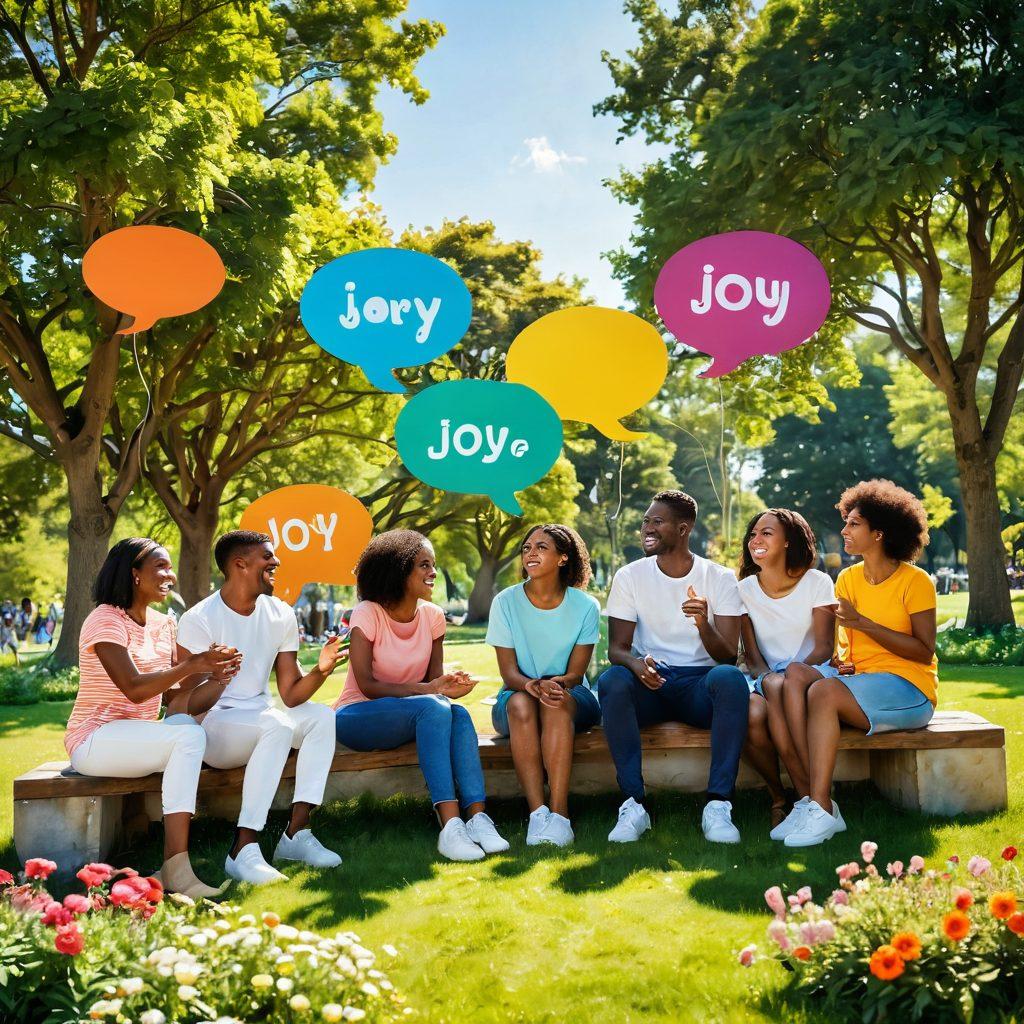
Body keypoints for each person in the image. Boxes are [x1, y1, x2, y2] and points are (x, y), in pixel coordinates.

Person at [64, 538, 242, 897]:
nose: (170, 574)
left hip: (137, 738)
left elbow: (178, 700)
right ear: (133, 574)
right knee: (188, 737)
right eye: (160, 566)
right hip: (94, 739)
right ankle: (177, 867)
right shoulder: (105, 620)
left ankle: (172, 866)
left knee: (187, 728)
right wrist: (193, 664)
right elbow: (133, 688)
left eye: (169, 566)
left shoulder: (164, 625)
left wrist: (219, 677)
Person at [177, 530, 345, 885]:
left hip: (262, 715)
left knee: (320, 717)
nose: (276, 563)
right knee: (277, 727)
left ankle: (296, 835)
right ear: (240, 564)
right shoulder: (199, 618)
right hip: (215, 726)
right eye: (267, 557)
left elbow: (291, 694)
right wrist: (216, 676)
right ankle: (243, 849)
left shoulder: (280, 612)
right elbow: (183, 704)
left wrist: (321, 669)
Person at [334, 530, 509, 862]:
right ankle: (449, 825)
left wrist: (447, 687)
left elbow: (433, 683)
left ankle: (477, 817)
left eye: (434, 565)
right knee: (433, 707)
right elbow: (367, 685)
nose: (433, 573)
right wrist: (431, 691)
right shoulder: (368, 613)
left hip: (415, 712)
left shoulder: (432, 617)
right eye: (423, 565)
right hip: (357, 715)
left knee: (457, 712)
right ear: (399, 570)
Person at [779, 480, 938, 847]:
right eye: (846, 522)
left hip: (911, 691)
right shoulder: (849, 578)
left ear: (879, 534)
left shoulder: (916, 581)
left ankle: (822, 808)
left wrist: (864, 623)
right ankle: (808, 800)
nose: (844, 530)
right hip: (864, 683)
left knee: (822, 692)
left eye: (854, 524)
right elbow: (846, 645)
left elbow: (923, 651)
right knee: (795, 673)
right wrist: (842, 660)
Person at [598, 490, 750, 844]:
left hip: (700, 687)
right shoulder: (630, 576)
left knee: (729, 679)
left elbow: (727, 656)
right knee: (613, 680)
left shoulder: (720, 577)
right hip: (651, 681)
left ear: (683, 529)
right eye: (645, 521)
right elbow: (617, 649)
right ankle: (634, 804)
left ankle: (718, 804)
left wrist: (703, 623)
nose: (647, 528)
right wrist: (637, 664)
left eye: (657, 521)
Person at [487, 524, 602, 847]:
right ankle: (538, 814)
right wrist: (532, 686)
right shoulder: (505, 602)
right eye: (526, 548)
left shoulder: (585, 606)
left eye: (541, 547)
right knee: (522, 703)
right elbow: (509, 673)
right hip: (518, 691)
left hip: (571, 693)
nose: (531, 553)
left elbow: (576, 674)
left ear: (563, 558)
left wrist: (555, 686)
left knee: (555, 702)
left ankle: (560, 814)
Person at [737, 509, 838, 838]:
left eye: (766, 533)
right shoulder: (744, 590)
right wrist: (767, 677)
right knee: (753, 709)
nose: (756, 540)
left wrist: (793, 674)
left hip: (811, 672)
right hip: (768, 677)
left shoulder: (817, 582)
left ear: (788, 542)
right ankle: (803, 799)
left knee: (787, 682)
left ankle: (811, 800)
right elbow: (752, 656)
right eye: (753, 534)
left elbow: (824, 646)